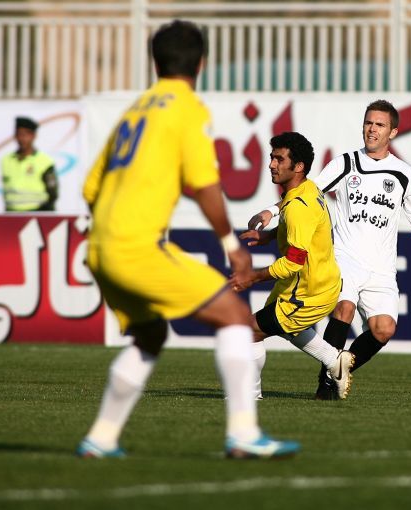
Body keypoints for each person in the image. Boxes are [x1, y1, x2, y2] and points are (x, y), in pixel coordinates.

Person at [77, 20, 299, 460]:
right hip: (135, 247)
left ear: (155, 62)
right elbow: (205, 184)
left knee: (150, 335)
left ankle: (101, 438)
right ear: (201, 64)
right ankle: (243, 434)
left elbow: (91, 188)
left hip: (100, 247)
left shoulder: (136, 110)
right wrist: (232, 246)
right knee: (235, 316)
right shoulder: (186, 108)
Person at [249, 100, 411, 400]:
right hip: (345, 257)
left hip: (381, 268)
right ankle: (325, 389)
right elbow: (306, 193)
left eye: (379, 125)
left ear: (393, 132)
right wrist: (272, 212)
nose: (372, 129)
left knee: (384, 330)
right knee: (344, 308)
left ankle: (337, 368)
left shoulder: (404, 173)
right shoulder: (346, 163)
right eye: (368, 123)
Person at [230, 132, 355, 400]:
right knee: (283, 327)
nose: (271, 164)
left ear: (298, 166)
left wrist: (252, 277)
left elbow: (293, 263)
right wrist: (268, 236)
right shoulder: (307, 189)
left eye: (279, 159)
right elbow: (301, 228)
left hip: (307, 292)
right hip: (318, 283)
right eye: (272, 157)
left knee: (248, 331)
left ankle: (247, 395)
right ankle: (334, 360)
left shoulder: (298, 204)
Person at [1, 116, 58, 212]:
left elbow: (53, 192)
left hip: (37, 213)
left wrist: (45, 213)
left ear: (33, 136)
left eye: (25, 135)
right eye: (19, 134)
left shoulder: (44, 161)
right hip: (11, 213)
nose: (22, 139)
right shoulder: (6, 160)